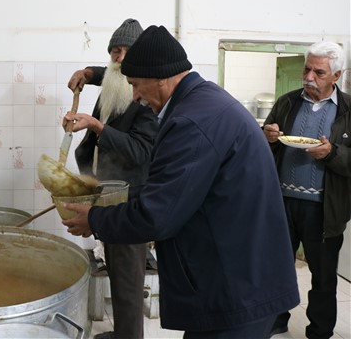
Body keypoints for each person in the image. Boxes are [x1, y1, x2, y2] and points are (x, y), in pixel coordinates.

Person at [63, 25, 300, 338]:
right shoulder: (202, 100)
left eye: (135, 85)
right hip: (238, 277)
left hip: (237, 288)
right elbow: (176, 189)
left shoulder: (191, 122)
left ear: (160, 77)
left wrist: (95, 219)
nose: (135, 96)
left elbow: (157, 215)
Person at [64, 18, 158, 339]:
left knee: (128, 283)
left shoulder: (145, 99)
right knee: (117, 275)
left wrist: (96, 126)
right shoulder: (116, 82)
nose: (120, 57)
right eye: (115, 51)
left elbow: (141, 152)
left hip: (131, 202)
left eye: (127, 51)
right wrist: (87, 73)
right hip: (108, 196)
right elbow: (109, 74)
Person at [263, 41, 350, 339]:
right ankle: (276, 321)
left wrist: (332, 153)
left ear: (336, 75)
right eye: (307, 69)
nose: (309, 77)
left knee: (323, 277)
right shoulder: (287, 102)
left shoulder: (348, 110)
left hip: (324, 210)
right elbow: (265, 147)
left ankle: (320, 331)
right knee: (276, 268)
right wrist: (268, 137)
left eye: (319, 72)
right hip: (282, 204)